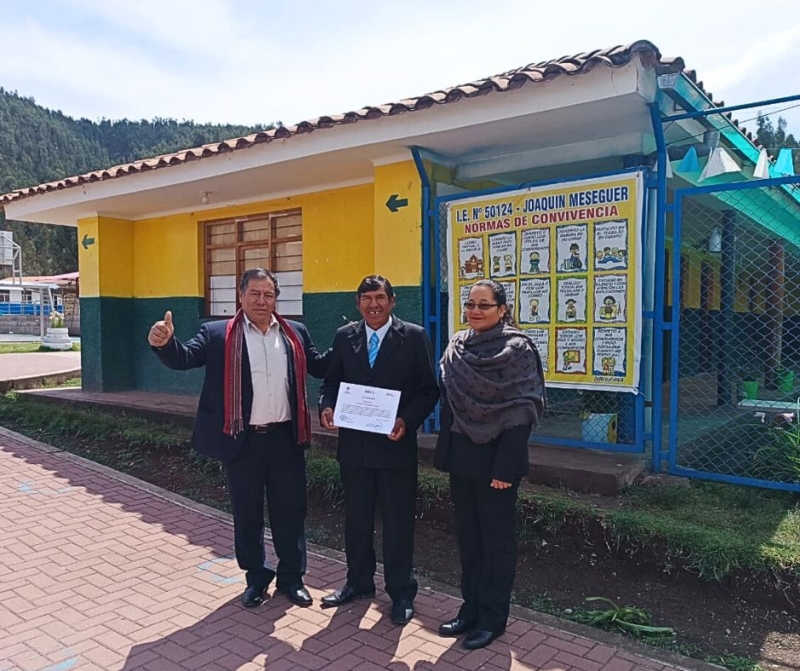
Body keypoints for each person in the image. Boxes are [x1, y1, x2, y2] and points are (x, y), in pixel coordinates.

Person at [148, 268, 329, 609]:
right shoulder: (218, 334)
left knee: (291, 513)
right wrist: (165, 342)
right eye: (255, 294)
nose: (263, 301)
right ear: (241, 296)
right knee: (247, 515)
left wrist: (354, 342)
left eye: (269, 295)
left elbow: (319, 366)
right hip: (242, 441)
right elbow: (185, 357)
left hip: (286, 440)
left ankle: (292, 578)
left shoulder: (295, 333)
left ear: (277, 298)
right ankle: (256, 578)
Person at [319, 275, 439, 625]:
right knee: (356, 521)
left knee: (398, 524)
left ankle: (401, 592)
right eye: (367, 298)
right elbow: (331, 383)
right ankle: (358, 583)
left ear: (392, 301)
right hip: (354, 449)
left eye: (380, 297)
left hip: (395, 449)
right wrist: (327, 407)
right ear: (357, 303)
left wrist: (406, 420)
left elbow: (428, 391)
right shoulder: (345, 337)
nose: (374, 304)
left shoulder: (413, 337)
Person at [435, 279, 546, 650]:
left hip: (497, 463)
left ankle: (493, 619)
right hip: (461, 459)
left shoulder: (517, 351)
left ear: (502, 310)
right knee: (468, 540)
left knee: (496, 542)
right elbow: (447, 399)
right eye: (470, 304)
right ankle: (470, 609)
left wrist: (506, 468)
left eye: (484, 305)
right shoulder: (457, 346)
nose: (475, 311)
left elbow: (522, 409)